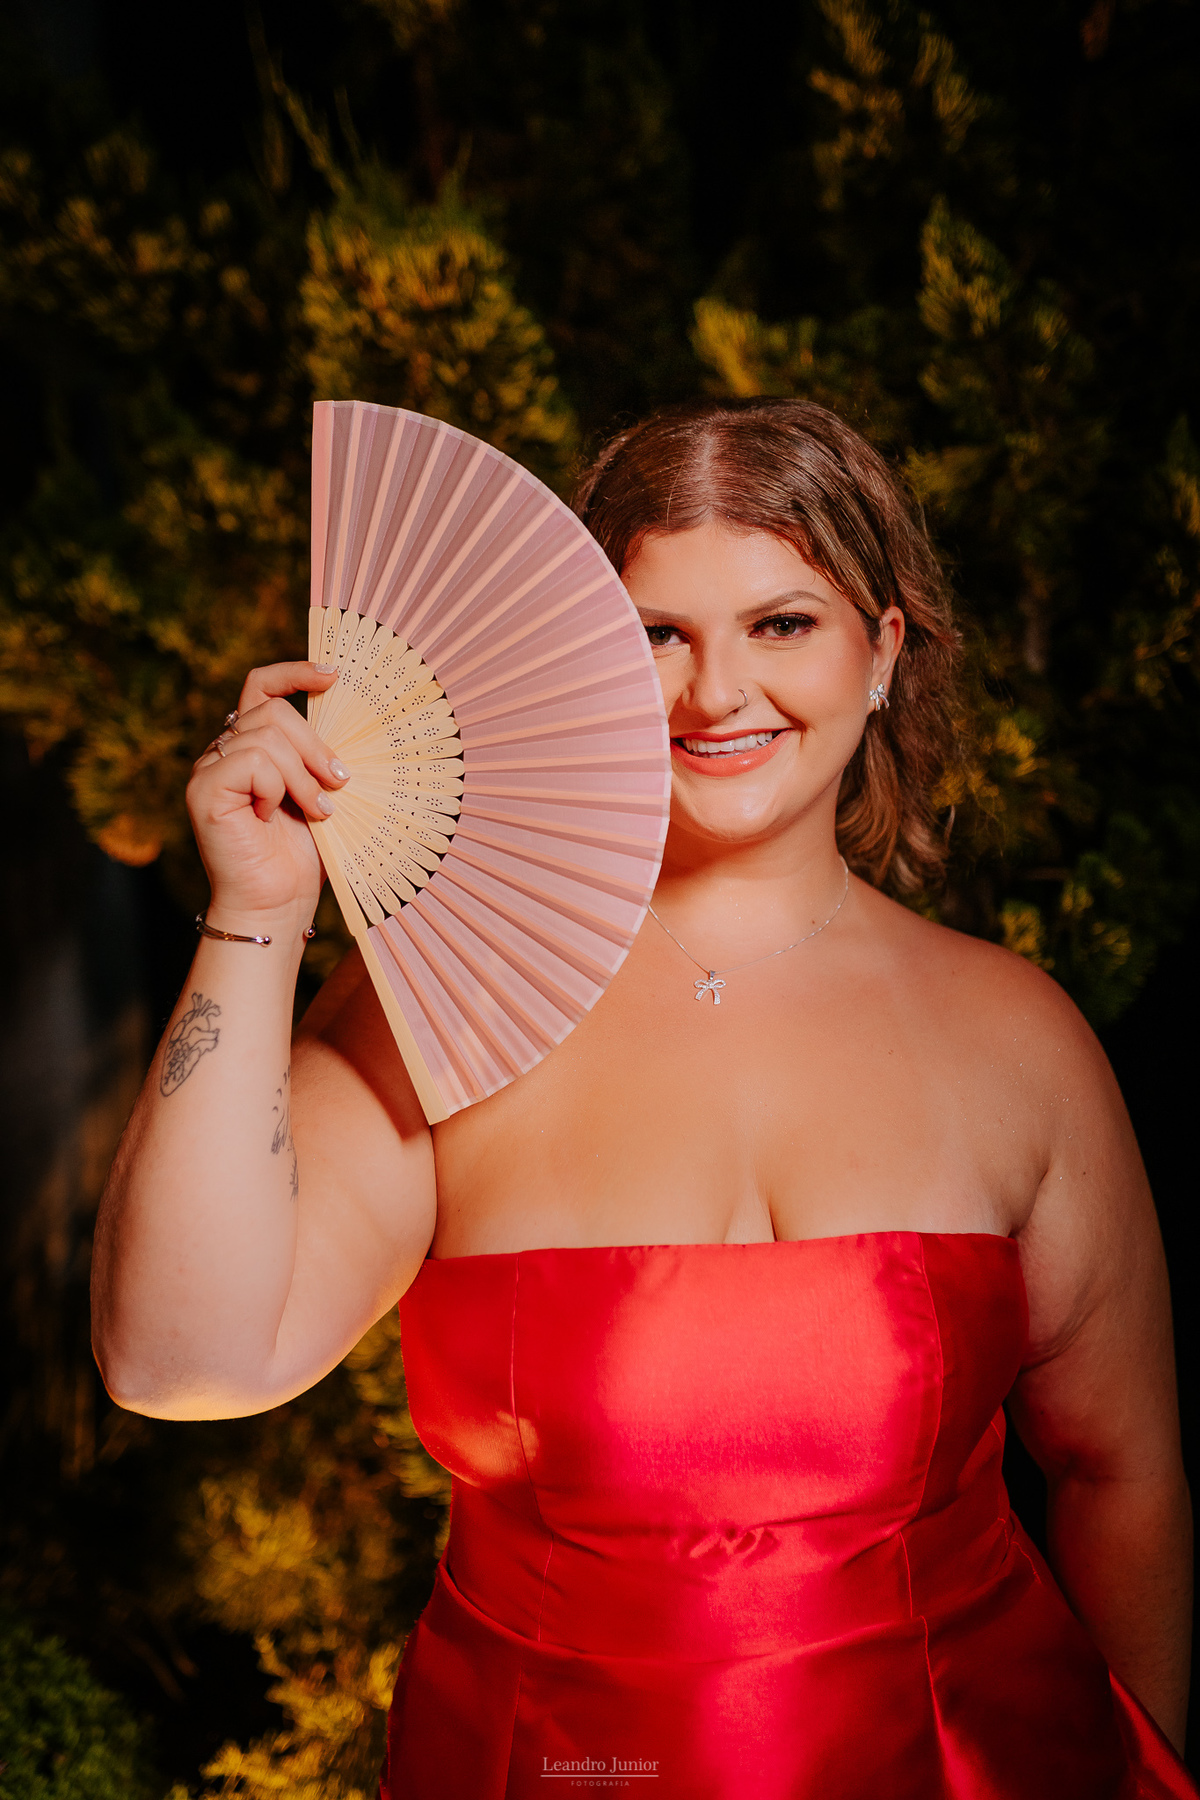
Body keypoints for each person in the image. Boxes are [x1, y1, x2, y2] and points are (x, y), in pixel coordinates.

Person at [92, 399, 1194, 1799]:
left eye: (782, 623)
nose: (716, 693)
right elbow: (175, 1357)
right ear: (575, 662)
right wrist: (256, 914)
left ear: (881, 653)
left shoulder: (1020, 1037)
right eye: (655, 633)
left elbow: (1119, 1473)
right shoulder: (442, 1001)